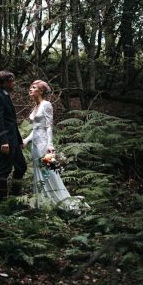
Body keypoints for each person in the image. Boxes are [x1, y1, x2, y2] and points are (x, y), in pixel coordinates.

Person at [22, 80, 89, 212]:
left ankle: (59, 201)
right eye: (30, 87)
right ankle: (41, 202)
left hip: (44, 145)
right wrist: (26, 140)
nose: (30, 89)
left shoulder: (46, 105)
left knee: (50, 173)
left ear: (41, 91)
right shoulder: (35, 106)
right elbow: (35, 129)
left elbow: (48, 127)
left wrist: (50, 146)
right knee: (38, 172)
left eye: (33, 87)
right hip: (35, 145)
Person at [0, 70, 27, 201]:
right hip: (5, 141)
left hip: (13, 140)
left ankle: (14, 196)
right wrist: (4, 141)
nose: (14, 84)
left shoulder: (5, 95)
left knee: (21, 167)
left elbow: (11, 122)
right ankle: (1, 200)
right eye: (12, 81)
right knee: (4, 170)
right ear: (4, 82)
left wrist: (19, 140)